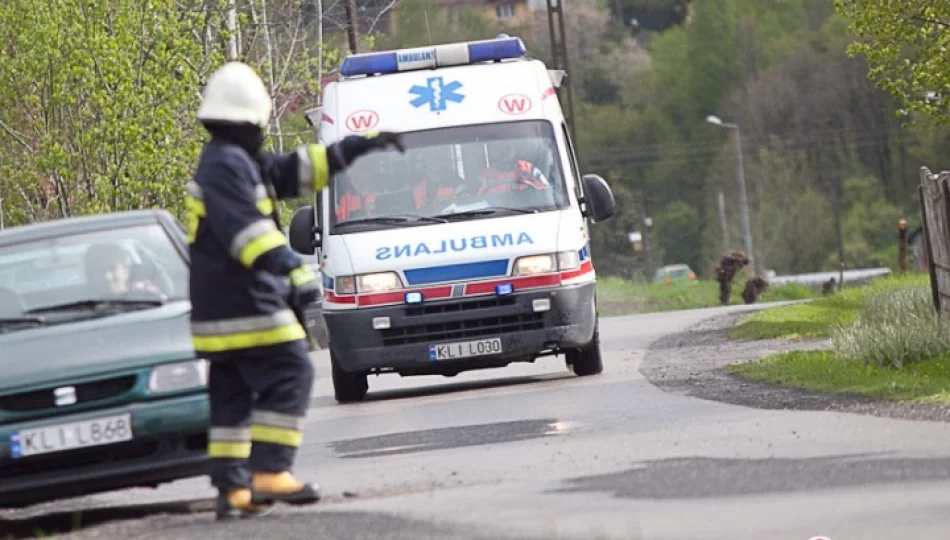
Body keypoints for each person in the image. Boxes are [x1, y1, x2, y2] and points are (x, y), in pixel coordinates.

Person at [186, 61, 403, 521]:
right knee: (291, 371)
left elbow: (292, 171)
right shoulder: (227, 165)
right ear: (253, 119)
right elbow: (246, 233)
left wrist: (354, 148)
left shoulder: (232, 160)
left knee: (232, 396)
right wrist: (293, 271)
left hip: (217, 311)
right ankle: (270, 471)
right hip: (245, 303)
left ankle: (233, 488)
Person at [84, 243, 161, 297]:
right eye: (100, 271)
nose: (107, 276)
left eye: (113, 268)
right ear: (92, 277)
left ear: (126, 270)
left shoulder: (147, 294)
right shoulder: (83, 309)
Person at [478, 141, 550, 195]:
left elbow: (543, 190)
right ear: (491, 153)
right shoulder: (485, 175)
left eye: (507, 147)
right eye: (498, 149)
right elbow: (480, 199)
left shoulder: (527, 168)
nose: (503, 152)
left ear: (515, 150)